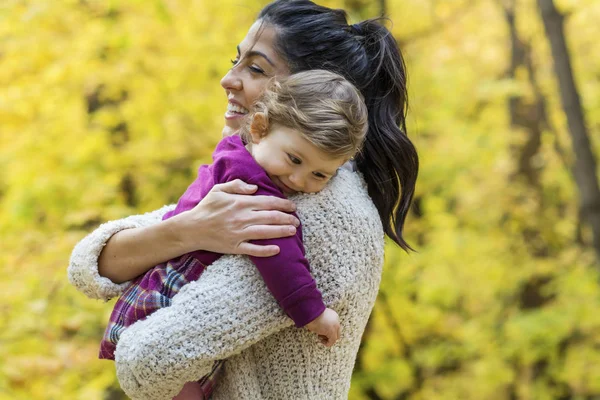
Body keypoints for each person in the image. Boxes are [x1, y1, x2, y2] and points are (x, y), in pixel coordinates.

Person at [67, 1, 419, 399]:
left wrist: (183, 235)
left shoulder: (324, 212)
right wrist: (190, 230)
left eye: (255, 68)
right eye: (237, 60)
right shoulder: (260, 176)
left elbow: (150, 358)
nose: (227, 80)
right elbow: (90, 264)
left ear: (313, 95)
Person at [99, 69, 368, 398]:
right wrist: (313, 312)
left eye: (319, 174)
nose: (298, 180)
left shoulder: (236, 154)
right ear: (259, 128)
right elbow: (279, 255)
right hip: (170, 292)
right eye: (294, 159)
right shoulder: (251, 185)